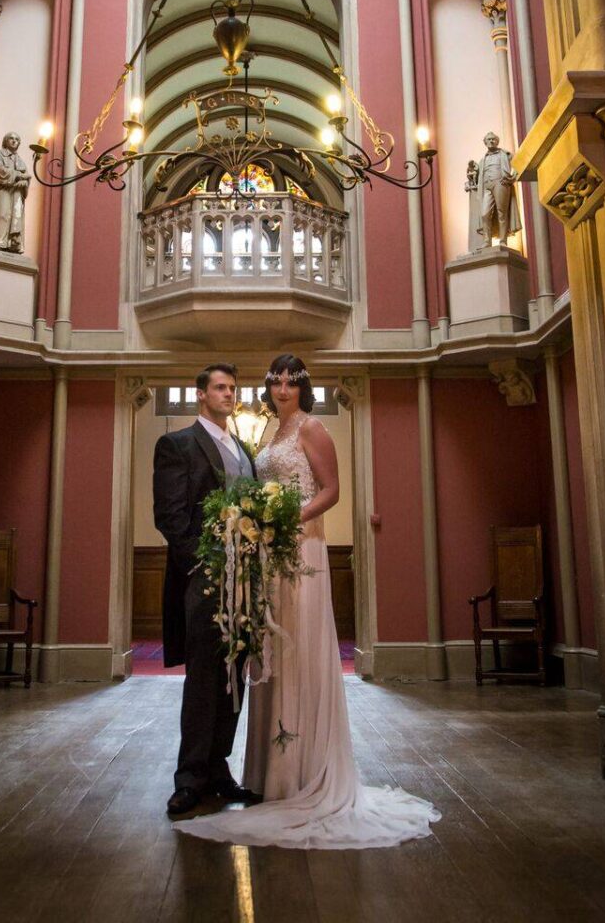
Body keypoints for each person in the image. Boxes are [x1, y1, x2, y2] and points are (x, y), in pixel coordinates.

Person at [174, 354, 441, 849]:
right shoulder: (267, 436)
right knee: (273, 653)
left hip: (303, 549)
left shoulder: (313, 429)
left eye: (290, 381)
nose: (280, 388)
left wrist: (286, 520)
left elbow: (333, 490)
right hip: (269, 555)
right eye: (273, 380)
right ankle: (272, 775)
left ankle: (305, 774)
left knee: (301, 648)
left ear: (303, 386)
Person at [154, 363, 259, 817]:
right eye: (220, 388)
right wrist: (201, 565)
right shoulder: (177, 444)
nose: (228, 395)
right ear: (201, 395)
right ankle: (190, 777)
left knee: (233, 676)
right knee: (202, 679)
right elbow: (171, 516)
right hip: (205, 578)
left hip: (245, 582)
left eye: (232, 389)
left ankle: (219, 770)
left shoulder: (241, 448)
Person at [475, 131, 521, 247]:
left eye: (493, 139)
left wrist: (512, 178)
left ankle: (503, 240)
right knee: (485, 214)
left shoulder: (504, 154)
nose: (491, 141)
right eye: (489, 139)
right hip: (487, 187)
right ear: (485, 143)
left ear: (497, 142)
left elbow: (518, 163)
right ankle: (487, 240)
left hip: (500, 183)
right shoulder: (482, 160)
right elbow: (477, 176)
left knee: (502, 213)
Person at [0, 131, 30, 252]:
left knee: (15, 217)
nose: (14, 140)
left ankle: (13, 243)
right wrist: (19, 176)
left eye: (17, 139)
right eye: (11, 138)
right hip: (2, 190)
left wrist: (24, 183)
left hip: (16, 193)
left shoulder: (20, 161)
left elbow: (26, 177)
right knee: (2, 214)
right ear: (5, 140)